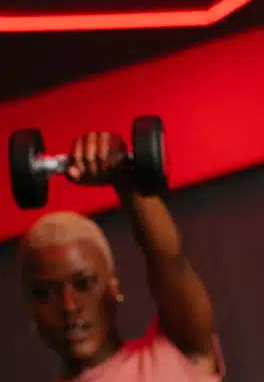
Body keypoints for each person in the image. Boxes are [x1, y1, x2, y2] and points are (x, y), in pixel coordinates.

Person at [19, 130, 223, 381]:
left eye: (83, 284)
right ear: (31, 310)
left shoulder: (177, 353)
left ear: (113, 288)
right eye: (45, 294)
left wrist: (124, 178)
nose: (69, 306)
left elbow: (169, 261)